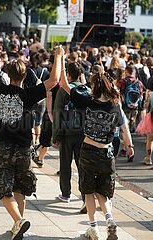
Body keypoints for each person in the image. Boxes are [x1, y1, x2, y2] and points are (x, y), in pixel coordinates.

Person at [0, 42, 63, 240]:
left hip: (4, 147)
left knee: (4, 187)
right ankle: (19, 224)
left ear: (8, 74)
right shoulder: (28, 94)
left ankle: (18, 222)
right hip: (24, 148)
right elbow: (53, 80)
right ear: (25, 76)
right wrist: (59, 56)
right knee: (20, 188)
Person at [59, 58, 134, 239]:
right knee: (102, 192)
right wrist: (129, 145)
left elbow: (65, 84)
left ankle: (94, 228)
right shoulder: (115, 105)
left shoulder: (87, 100)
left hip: (89, 150)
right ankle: (110, 220)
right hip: (107, 152)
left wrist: (61, 61)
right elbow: (124, 128)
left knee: (88, 191)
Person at [52, 62, 86, 205]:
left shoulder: (64, 90)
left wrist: (56, 135)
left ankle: (66, 193)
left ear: (69, 75)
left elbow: (57, 113)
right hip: (83, 133)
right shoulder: (87, 90)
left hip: (67, 132)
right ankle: (86, 196)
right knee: (82, 165)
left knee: (65, 165)